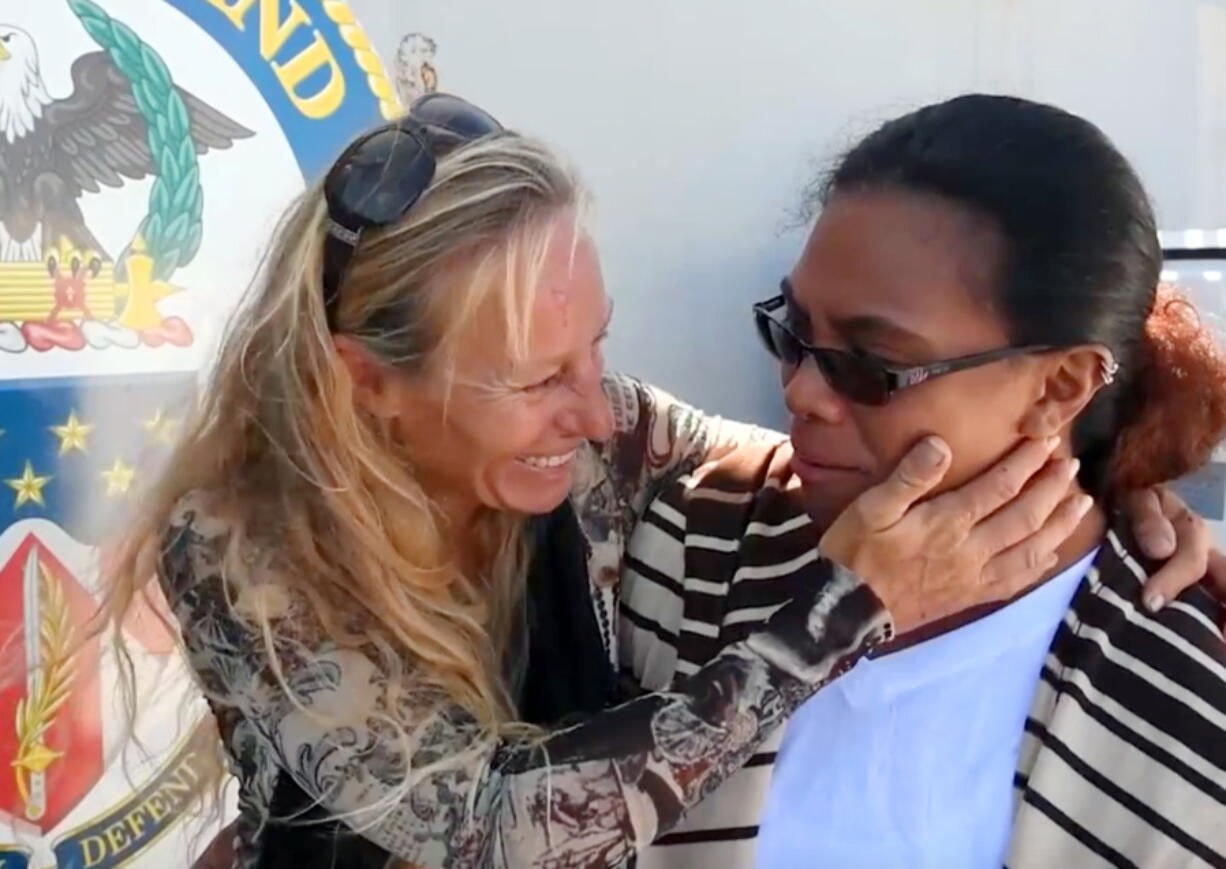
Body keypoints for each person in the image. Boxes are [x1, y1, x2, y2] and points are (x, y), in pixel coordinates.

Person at [97, 94, 1213, 869]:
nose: (597, 408)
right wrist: (844, 610)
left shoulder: (602, 440)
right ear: (367, 386)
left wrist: (1122, 483)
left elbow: (788, 462)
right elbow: (488, 830)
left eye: (597, 350)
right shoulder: (244, 542)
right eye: (537, 378)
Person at [619, 94, 1226, 869]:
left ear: (1060, 387)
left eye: (871, 366)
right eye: (792, 332)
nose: (802, 392)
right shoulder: (688, 544)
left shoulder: (1179, 699)